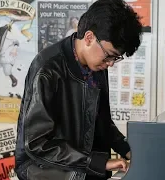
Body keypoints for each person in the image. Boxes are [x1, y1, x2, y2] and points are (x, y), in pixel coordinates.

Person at [14, 0, 143, 179]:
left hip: (80, 161)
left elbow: (102, 120)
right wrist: (97, 162)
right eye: (109, 55)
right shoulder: (48, 69)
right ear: (89, 38)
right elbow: (36, 144)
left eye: (116, 58)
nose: (111, 64)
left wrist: (127, 149)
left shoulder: (96, 65)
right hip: (42, 166)